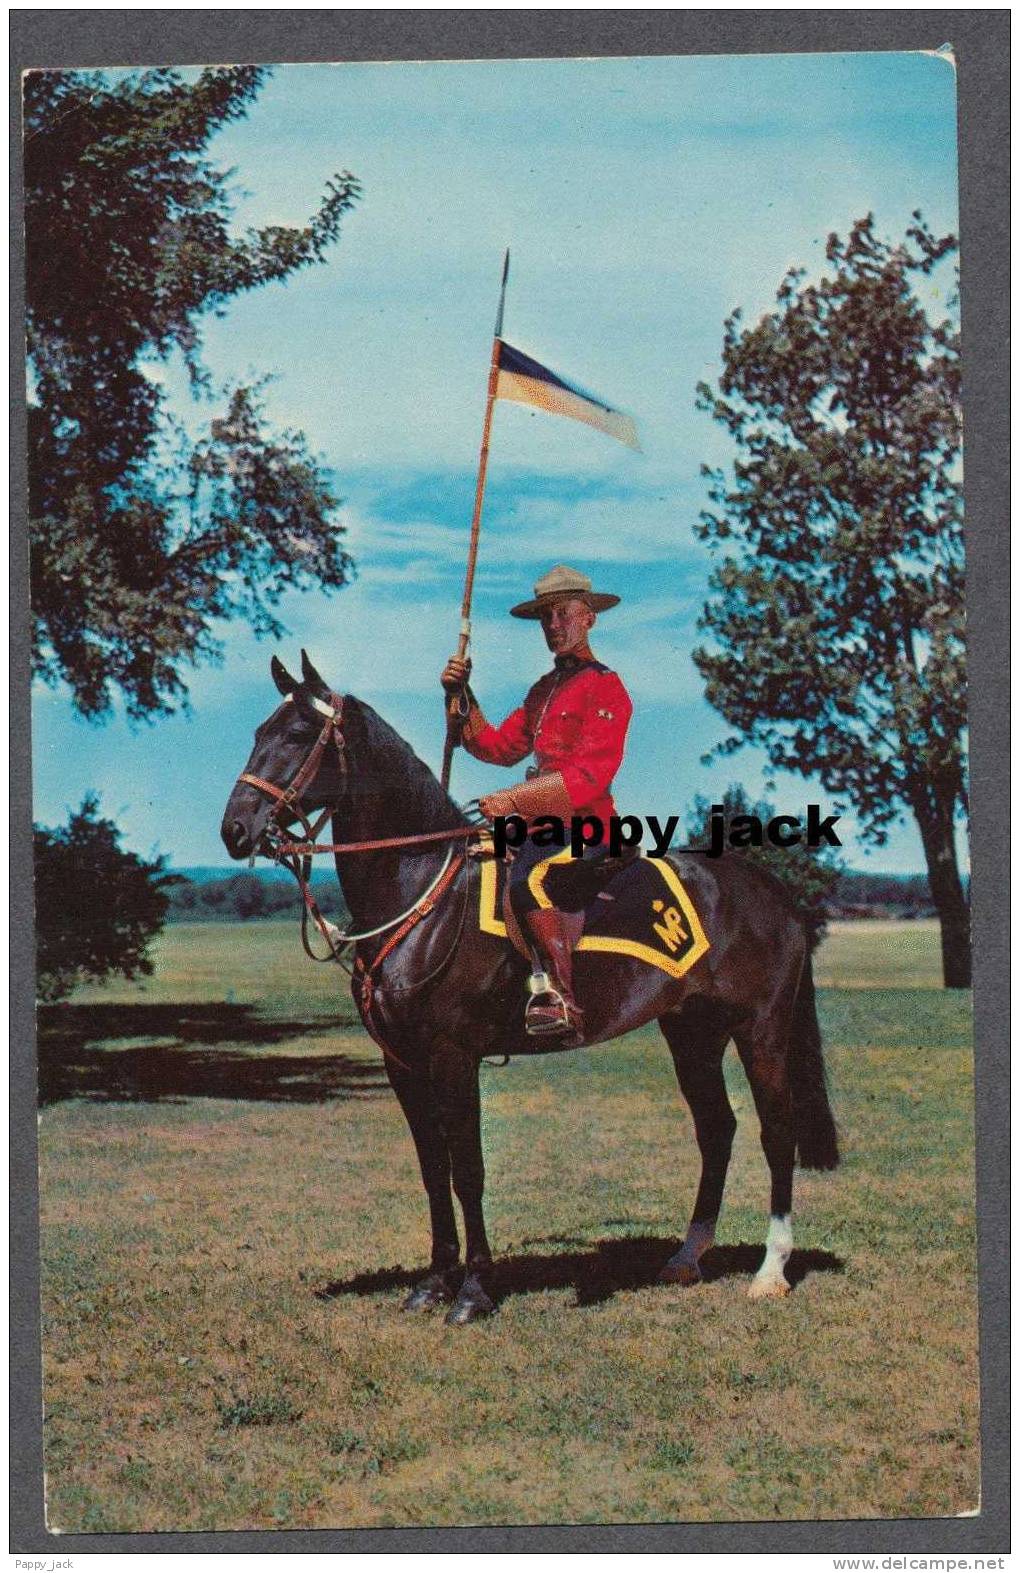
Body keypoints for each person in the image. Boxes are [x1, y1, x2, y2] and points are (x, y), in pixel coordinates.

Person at [441, 564, 633, 1045]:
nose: (553, 626)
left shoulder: (606, 686)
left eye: (562, 614)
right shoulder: (543, 692)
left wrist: (513, 800)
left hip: (589, 829)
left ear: (588, 617)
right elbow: (497, 747)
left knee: (533, 879)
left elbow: (590, 779)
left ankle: (561, 998)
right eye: (545, 617)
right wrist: (462, 693)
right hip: (536, 826)